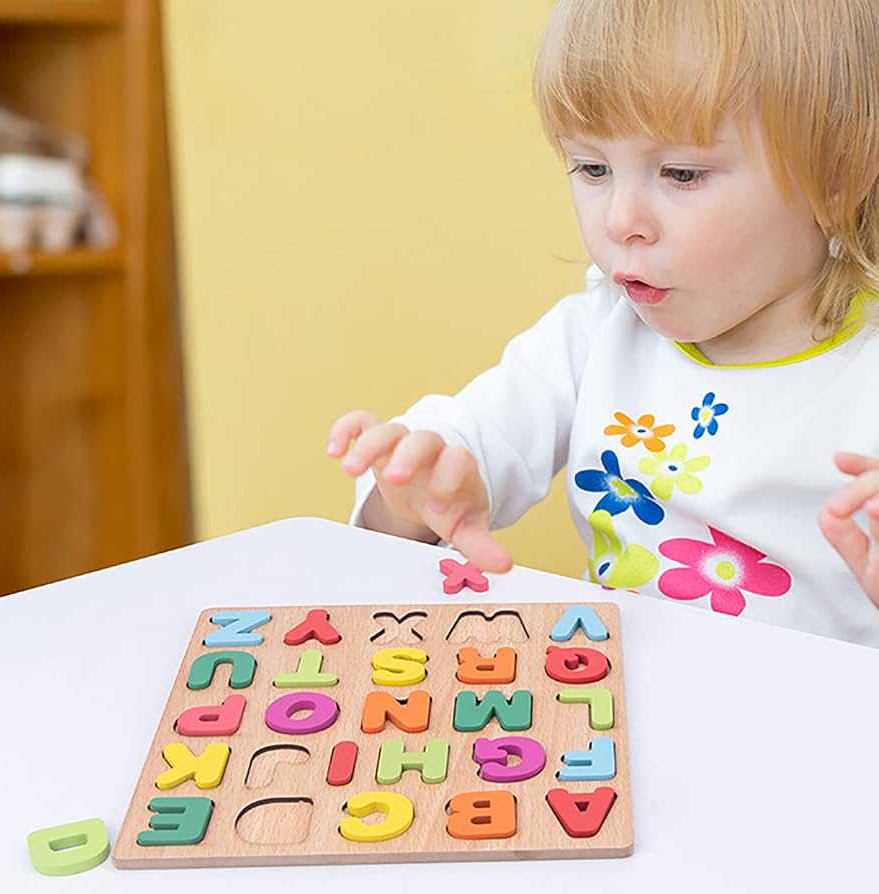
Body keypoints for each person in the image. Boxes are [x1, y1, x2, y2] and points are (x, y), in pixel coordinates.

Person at [326, 0, 879, 648]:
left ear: (836, 176)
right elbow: (466, 443)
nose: (621, 220)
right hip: (617, 718)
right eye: (592, 168)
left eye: (681, 173)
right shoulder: (596, 333)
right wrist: (415, 491)